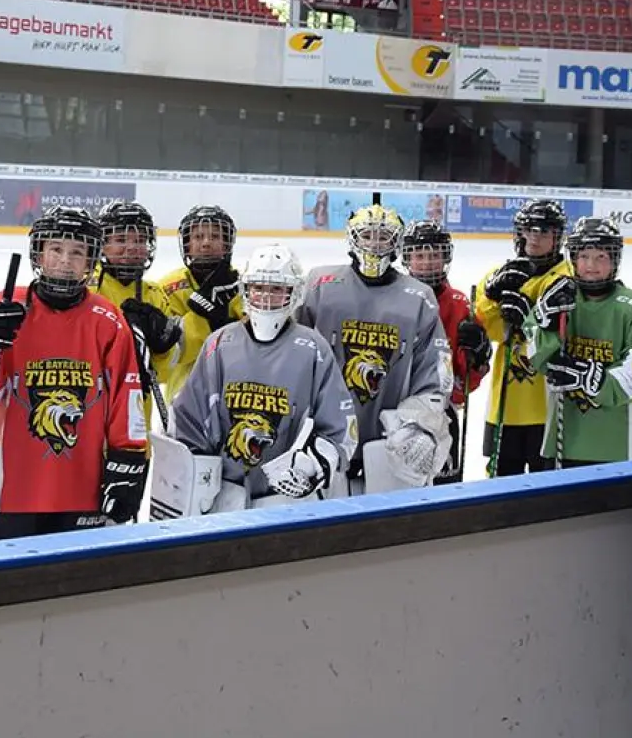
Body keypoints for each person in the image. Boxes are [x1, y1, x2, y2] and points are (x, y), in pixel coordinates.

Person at [0, 207, 147, 542]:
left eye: (77, 252)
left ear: (90, 261)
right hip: (11, 489)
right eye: (56, 250)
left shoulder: (107, 319)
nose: (65, 261)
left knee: (75, 587)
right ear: (39, 254)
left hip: (82, 488)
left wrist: (127, 459)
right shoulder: (9, 307)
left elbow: (126, 395)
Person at [168, 244, 357, 513]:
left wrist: (313, 463)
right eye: (259, 288)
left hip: (289, 503)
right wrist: (198, 477)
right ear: (246, 291)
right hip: (223, 499)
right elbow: (190, 419)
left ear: (295, 293)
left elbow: (341, 427)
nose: (266, 297)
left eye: (277, 289)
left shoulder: (313, 348)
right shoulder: (220, 343)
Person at [295, 203, 452, 496]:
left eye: (384, 237)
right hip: (323, 437)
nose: (375, 243)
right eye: (367, 235)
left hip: (389, 441)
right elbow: (292, 355)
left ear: (397, 243)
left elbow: (434, 372)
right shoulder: (320, 284)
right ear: (353, 238)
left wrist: (418, 424)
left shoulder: (419, 297)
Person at [522, 218, 632, 467]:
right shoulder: (558, 299)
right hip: (562, 438)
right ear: (573, 259)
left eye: (601, 257)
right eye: (584, 256)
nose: (591, 266)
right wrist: (547, 324)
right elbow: (537, 359)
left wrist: (591, 378)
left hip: (616, 444)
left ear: (615, 260)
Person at [462, 198, 573, 478]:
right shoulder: (502, 274)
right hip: (505, 406)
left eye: (543, 231)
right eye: (529, 230)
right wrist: (490, 296)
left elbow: (565, 334)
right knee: (499, 484)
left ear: (557, 237)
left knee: (545, 487)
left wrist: (528, 315)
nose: (534, 238)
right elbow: (489, 331)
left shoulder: (566, 278)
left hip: (547, 407)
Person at [402, 219, 489, 484]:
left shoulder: (461, 304)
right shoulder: (392, 300)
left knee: (444, 488)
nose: (427, 262)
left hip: (442, 413)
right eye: (420, 255)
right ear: (407, 257)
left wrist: (480, 355)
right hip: (395, 413)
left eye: (434, 254)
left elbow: (468, 380)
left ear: (446, 257)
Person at [90, 200, 179, 421]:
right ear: (102, 244)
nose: (131, 248)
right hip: (89, 405)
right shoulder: (85, 288)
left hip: (137, 411)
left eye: (139, 240)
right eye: (120, 239)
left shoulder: (155, 294)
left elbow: (165, 374)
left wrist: (163, 347)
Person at [157, 206, 244, 400]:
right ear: (187, 244)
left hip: (235, 391)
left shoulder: (244, 285)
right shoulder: (167, 287)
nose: (206, 243)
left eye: (214, 236)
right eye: (198, 237)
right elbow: (170, 352)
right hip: (182, 395)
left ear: (227, 244)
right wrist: (211, 320)